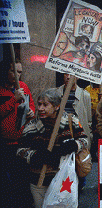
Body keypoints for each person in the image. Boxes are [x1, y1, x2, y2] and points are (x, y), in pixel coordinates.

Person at [16, 88, 88, 208]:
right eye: (39, 104)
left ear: (56, 106)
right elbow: (20, 150)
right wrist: (35, 156)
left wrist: (74, 145)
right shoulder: (31, 126)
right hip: (39, 182)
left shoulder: (71, 121)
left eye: (45, 105)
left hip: (64, 181)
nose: (40, 109)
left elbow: (84, 140)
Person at [0, 60, 35, 207]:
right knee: (7, 181)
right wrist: (13, 99)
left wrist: (32, 112)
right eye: (14, 71)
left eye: (20, 72)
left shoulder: (24, 87)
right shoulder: (2, 90)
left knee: (23, 178)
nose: (17, 75)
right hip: (5, 142)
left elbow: (31, 104)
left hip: (22, 140)